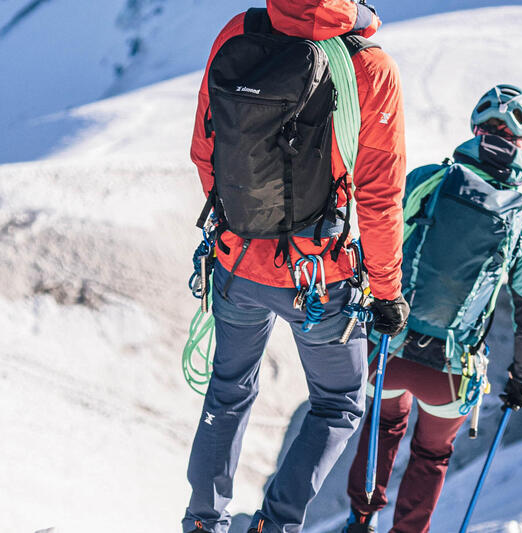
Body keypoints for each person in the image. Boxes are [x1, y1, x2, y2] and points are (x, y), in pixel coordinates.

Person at [182, 1, 410, 532]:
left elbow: (205, 149)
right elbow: (380, 197)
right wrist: (386, 292)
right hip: (317, 278)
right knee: (338, 404)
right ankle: (276, 524)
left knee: (228, 390)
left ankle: (202, 522)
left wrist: (239, 228)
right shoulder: (369, 66)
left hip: (235, 262)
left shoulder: (241, 31)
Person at [343, 84, 522, 533]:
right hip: (451, 372)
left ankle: (360, 520)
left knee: (384, 428)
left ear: (475, 130)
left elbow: (378, 235)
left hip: (390, 349)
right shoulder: (521, 221)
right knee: (432, 456)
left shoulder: (430, 179)